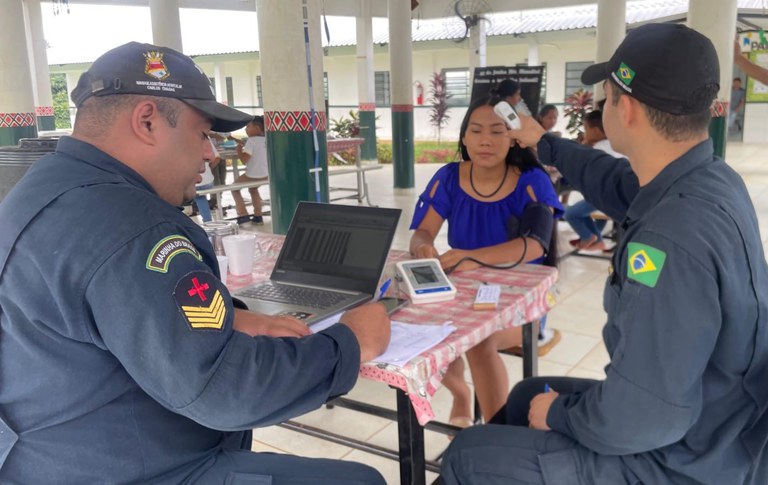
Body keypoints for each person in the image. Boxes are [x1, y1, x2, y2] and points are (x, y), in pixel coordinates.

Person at [0, 42, 390, 484]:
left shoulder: (40, 188)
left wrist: (231, 319)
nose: (210, 154)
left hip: (45, 454)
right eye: (202, 133)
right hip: (132, 466)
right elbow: (224, 390)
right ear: (147, 121)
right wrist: (352, 343)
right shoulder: (134, 225)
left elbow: (102, 309)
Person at [441, 23, 768, 485]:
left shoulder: (669, 242)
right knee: (526, 395)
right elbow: (614, 182)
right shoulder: (707, 178)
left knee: (468, 457)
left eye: (607, 97)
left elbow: (646, 416)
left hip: (687, 459)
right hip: (722, 419)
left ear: (626, 109)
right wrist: (543, 141)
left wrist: (561, 417)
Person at [409, 95, 563, 426]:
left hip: (520, 300)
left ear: (515, 138)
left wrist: (471, 257)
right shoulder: (449, 177)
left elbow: (535, 245)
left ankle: (496, 431)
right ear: (464, 138)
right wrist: (423, 248)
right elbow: (422, 233)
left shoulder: (531, 180)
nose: (485, 140)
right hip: (463, 291)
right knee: (430, 331)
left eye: (497, 131)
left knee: (478, 341)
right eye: (475, 131)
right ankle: (462, 395)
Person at [564, 109, 623, 251]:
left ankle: (589, 237)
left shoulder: (598, 148)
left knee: (571, 214)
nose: (584, 133)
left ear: (596, 131)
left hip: (605, 195)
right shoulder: (615, 144)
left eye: (586, 129)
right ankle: (594, 238)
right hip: (617, 194)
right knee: (586, 212)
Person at [231, 116, 268, 225]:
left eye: (248, 126)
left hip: (254, 175)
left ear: (257, 128)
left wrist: (239, 151)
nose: (245, 129)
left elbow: (244, 160)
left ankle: (243, 215)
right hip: (267, 174)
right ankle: (258, 215)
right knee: (253, 189)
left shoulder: (251, 141)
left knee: (234, 188)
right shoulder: (267, 139)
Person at [192, 136, 220, 222]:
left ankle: (207, 220)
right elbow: (217, 158)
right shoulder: (205, 137)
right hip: (208, 181)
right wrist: (207, 169)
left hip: (194, 183)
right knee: (200, 196)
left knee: (198, 196)